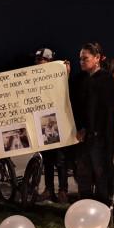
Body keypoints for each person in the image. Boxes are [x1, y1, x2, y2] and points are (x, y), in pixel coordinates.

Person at [71, 42, 114, 205]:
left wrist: (93, 130)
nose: (82, 62)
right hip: (83, 137)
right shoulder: (80, 79)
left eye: (85, 58)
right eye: (80, 59)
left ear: (97, 58)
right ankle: (84, 206)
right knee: (83, 173)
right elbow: (75, 105)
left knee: (101, 173)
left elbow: (107, 112)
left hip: (100, 138)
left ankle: (102, 207)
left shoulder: (107, 80)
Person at [34, 48, 69, 203]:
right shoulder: (34, 77)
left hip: (58, 122)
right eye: (37, 60)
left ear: (49, 61)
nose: (39, 62)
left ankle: (62, 190)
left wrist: (66, 74)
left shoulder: (59, 76)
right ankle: (49, 189)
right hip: (42, 122)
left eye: (42, 60)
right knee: (47, 160)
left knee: (60, 160)